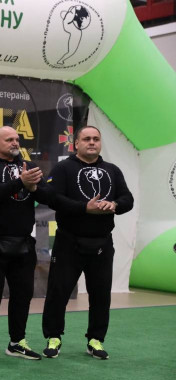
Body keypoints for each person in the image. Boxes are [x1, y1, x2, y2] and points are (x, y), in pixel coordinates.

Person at [42, 125, 133, 359]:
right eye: (86, 139)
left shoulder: (112, 170)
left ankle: (95, 340)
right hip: (68, 242)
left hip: (102, 244)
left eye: (96, 139)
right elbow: (52, 198)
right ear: (76, 144)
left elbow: (128, 199)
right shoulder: (63, 168)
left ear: (100, 143)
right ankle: (53, 337)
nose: (92, 142)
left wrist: (114, 204)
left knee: (101, 295)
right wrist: (84, 208)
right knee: (58, 292)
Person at [0, 126, 53, 363]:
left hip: (23, 244)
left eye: (17, 139)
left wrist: (34, 187)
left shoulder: (28, 166)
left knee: (23, 294)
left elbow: (48, 196)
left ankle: (17, 342)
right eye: (9, 139)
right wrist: (20, 182)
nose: (15, 143)